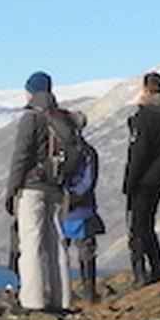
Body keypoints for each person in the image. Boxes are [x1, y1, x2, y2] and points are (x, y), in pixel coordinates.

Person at [3, 70, 69, 312]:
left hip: (32, 188)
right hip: (58, 188)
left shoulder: (31, 117)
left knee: (30, 244)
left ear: (31, 92)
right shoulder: (61, 117)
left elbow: (21, 155)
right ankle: (62, 300)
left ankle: (32, 301)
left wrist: (12, 190)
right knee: (57, 244)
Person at [123, 70, 160, 285]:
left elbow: (138, 153)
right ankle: (157, 268)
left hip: (142, 179)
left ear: (146, 89)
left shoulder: (144, 117)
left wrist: (129, 182)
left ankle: (141, 274)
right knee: (148, 222)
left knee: (138, 225)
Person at [60, 110, 104, 304]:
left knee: (60, 252)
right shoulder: (88, 151)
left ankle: (61, 292)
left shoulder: (58, 150)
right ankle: (89, 291)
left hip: (62, 209)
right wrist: (76, 196)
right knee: (86, 251)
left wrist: (63, 197)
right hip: (83, 209)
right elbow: (89, 180)